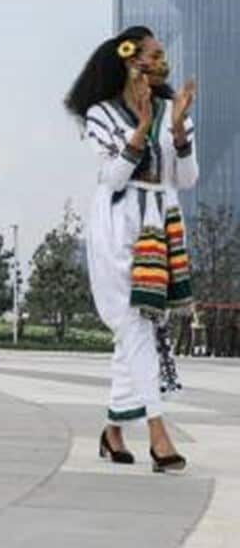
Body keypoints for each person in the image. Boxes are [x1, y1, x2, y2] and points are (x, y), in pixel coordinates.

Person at [64, 25, 196, 473]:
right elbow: (113, 178)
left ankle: (113, 429)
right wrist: (140, 129)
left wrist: (177, 132)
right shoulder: (102, 114)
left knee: (137, 327)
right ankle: (159, 432)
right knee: (133, 323)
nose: (161, 63)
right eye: (153, 55)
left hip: (160, 221)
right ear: (130, 60)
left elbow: (186, 177)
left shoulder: (171, 107)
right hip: (119, 221)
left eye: (162, 56)